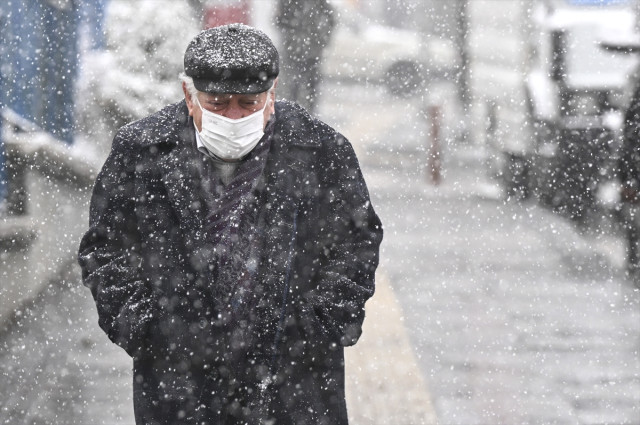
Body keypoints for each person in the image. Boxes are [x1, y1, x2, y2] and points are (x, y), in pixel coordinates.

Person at [78, 24, 382, 425]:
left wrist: (318, 328)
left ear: (271, 97)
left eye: (249, 102)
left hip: (295, 381)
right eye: (218, 103)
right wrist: (148, 330)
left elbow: (356, 243)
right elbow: (105, 249)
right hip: (179, 384)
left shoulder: (321, 150)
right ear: (190, 95)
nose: (234, 115)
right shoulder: (143, 150)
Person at [275, 0, 335, 115]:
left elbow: (330, 19)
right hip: (293, 49)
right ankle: (292, 114)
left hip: (310, 50)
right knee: (293, 85)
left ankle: (308, 114)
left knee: (311, 84)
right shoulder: (287, 2)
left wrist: (322, 40)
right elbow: (278, 20)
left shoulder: (319, 3)